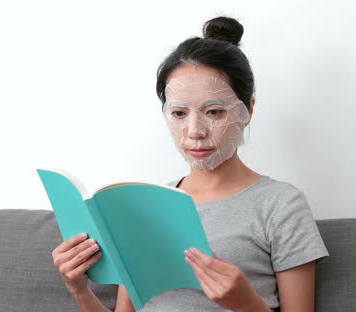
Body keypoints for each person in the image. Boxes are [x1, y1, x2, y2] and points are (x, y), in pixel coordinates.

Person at [51, 16, 329, 312]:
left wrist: (246, 303)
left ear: (248, 109)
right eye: (179, 113)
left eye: (214, 111)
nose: (195, 131)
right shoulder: (145, 204)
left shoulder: (281, 204)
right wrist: (79, 289)